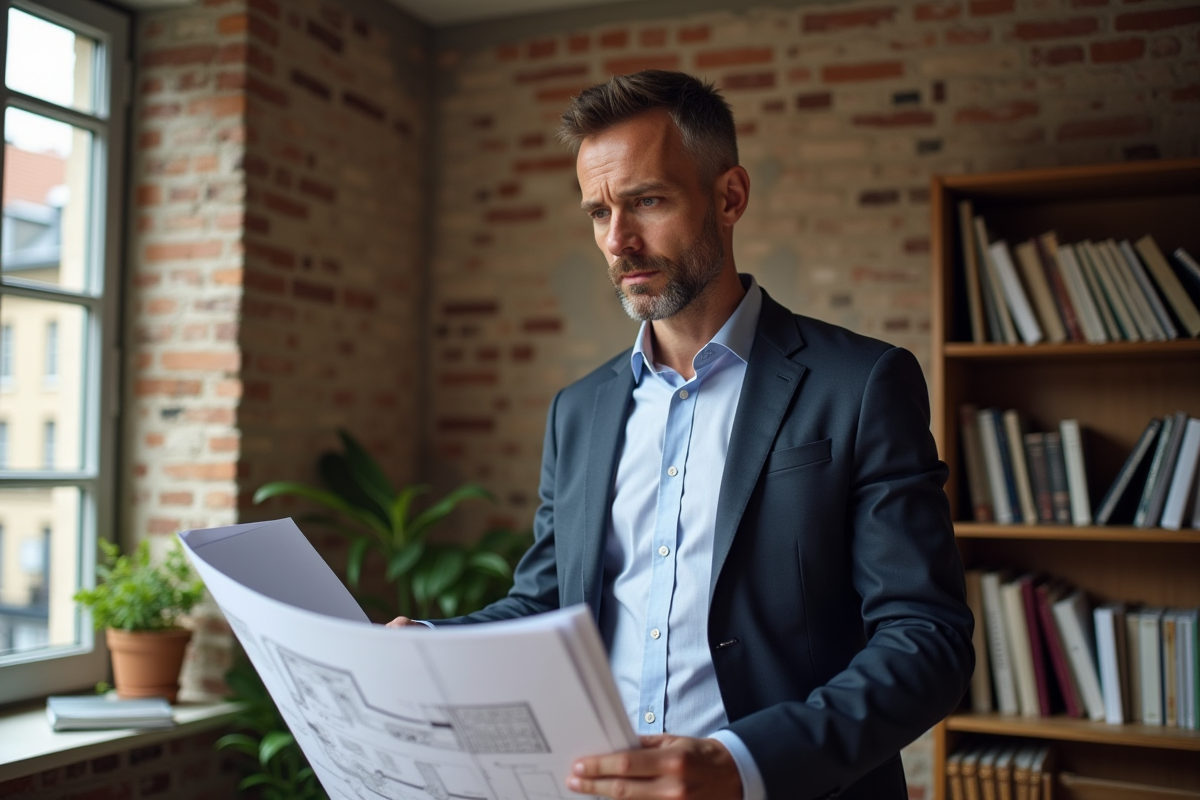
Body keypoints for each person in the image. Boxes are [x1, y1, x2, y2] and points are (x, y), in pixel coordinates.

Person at [390, 70, 974, 800]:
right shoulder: (578, 411)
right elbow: (549, 607)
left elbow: (926, 642)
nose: (618, 241)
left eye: (647, 202)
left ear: (729, 197)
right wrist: (429, 645)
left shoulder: (860, 384)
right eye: (598, 213)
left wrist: (742, 764)